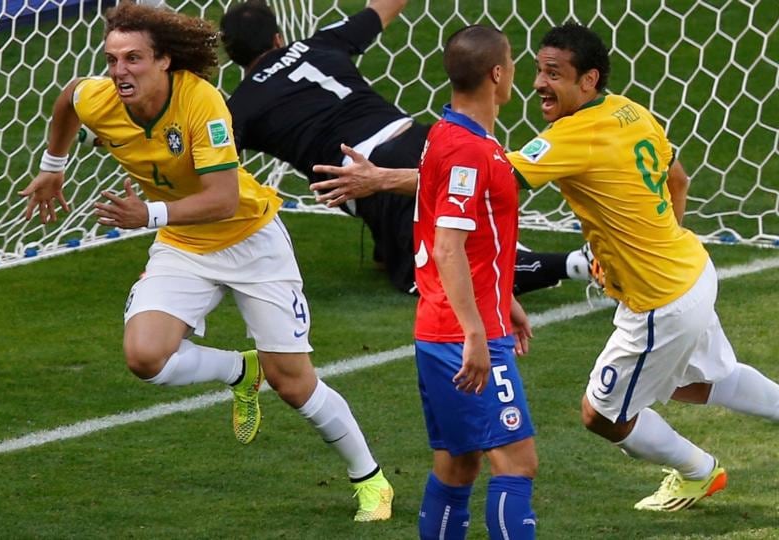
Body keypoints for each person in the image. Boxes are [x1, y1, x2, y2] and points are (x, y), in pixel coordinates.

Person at [316, 21, 779, 513]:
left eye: (553, 73)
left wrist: (382, 178)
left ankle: (698, 471)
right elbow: (678, 180)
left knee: (601, 415)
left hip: (658, 302)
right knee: (706, 377)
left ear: (588, 80)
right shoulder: (632, 111)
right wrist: (651, 242)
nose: (539, 83)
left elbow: (481, 179)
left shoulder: (570, 136)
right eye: (537, 70)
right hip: (692, 268)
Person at [17, 1, 393, 522]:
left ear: (164, 60)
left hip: (249, 240)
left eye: (133, 59)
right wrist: (52, 167)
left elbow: (221, 198)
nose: (120, 71)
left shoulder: (202, 103)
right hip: (184, 244)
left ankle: (370, 479)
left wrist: (146, 213)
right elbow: (67, 101)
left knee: (294, 385)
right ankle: (240, 370)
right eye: (112, 60)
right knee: (144, 356)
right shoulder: (99, 98)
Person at [220, 0, 595, 297]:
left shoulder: (242, 106)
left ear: (233, 56)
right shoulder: (319, 43)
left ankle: (580, 264)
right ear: (278, 38)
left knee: (447, 276)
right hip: (423, 138)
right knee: (449, 235)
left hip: (373, 171)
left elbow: (210, 166)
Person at [413, 25, 538, 539]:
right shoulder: (470, 152)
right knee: (516, 461)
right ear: (497, 73)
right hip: (462, 334)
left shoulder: (446, 135)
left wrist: (503, 296)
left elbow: (476, 238)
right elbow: (447, 245)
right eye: (512, 63)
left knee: (457, 463)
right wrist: (475, 331)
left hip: (443, 323)